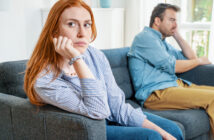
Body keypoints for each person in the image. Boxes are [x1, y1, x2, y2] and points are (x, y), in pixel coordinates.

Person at [24, 0, 184, 139]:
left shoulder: (95, 55)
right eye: (71, 24)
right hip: (90, 128)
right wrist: (76, 60)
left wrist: (164, 133)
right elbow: (99, 111)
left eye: (86, 24)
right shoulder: (44, 79)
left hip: (111, 116)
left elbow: (116, 106)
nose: (82, 33)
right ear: (54, 31)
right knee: (151, 136)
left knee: (171, 130)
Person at [128, 3, 214, 135]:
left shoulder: (162, 42)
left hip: (173, 86)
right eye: (171, 20)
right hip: (155, 93)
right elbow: (173, 66)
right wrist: (199, 61)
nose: (175, 24)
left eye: (176, 21)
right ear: (157, 21)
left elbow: (190, 57)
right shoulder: (145, 38)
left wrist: (177, 35)